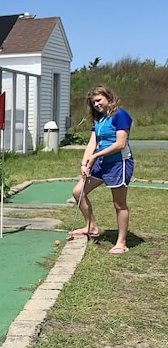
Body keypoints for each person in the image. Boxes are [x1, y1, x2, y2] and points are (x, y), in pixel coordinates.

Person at [68, 85, 133, 254]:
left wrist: (95, 156)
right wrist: (84, 163)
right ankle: (91, 227)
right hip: (102, 163)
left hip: (119, 163)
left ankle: (121, 243)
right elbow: (93, 142)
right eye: (93, 102)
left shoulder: (120, 115)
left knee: (119, 204)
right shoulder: (100, 119)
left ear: (108, 98)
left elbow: (121, 143)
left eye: (99, 100)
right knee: (78, 192)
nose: (96, 104)